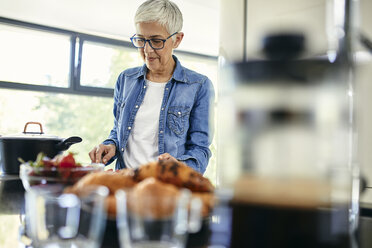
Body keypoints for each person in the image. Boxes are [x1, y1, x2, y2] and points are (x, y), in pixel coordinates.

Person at [89, 0, 214, 174]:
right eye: (140, 40)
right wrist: (111, 145)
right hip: (125, 183)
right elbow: (118, 132)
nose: (147, 50)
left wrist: (178, 166)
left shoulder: (199, 86)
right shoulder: (125, 79)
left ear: (177, 39)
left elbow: (201, 149)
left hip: (167, 189)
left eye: (156, 41)